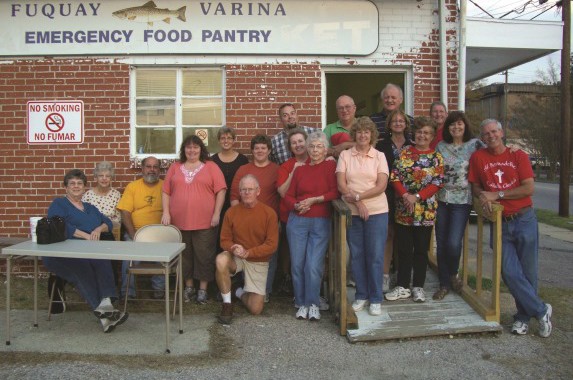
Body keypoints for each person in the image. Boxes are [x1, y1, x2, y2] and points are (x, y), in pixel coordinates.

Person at [468, 119, 552, 338]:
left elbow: (528, 188)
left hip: (524, 219)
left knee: (527, 272)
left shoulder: (518, 156)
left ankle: (523, 318)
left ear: (502, 132)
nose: (490, 136)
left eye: (494, 131)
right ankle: (541, 309)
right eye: (486, 134)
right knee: (508, 271)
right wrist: (482, 197)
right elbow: (476, 185)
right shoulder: (478, 157)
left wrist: (498, 194)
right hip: (500, 222)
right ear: (482, 137)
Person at [43, 169, 128, 333]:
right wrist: (86, 236)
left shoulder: (90, 207)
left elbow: (108, 223)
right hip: (63, 254)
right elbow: (60, 226)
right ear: (66, 187)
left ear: (84, 187)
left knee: (103, 260)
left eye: (80, 183)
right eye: (72, 183)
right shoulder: (59, 204)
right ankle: (105, 315)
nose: (76, 186)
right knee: (83, 270)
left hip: (88, 250)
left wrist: (98, 229)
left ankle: (106, 308)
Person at [162, 135, 226, 304]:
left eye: (196, 147)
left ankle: (202, 289)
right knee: (184, 255)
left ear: (201, 149)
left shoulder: (211, 166)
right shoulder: (175, 167)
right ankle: (188, 287)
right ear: (184, 150)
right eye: (188, 147)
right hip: (178, 220)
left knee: (204, 255)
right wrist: (166, 212)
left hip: (205, 221)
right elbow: (166, 191)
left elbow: (221, 191)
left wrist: (216, 213)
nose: (192, 150)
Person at [386, 117, 444, 303]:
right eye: (419, 132)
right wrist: (405, 196)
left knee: (421, 249)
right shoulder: (404, 153)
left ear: (432, 136)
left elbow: (437, 182)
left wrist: (417, 197)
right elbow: (394, 177)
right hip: (404, 209)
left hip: (425, 210)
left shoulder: (436, 157)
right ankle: (403, 285)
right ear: (414, 134)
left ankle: (418, 286)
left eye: (426, 133)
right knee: (403, 249)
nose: (422, 135)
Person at [336, 117, 390, 316]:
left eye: (367, 132)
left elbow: (381, 186)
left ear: (372, 135)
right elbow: (341, 184)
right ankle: (361, 295)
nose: (363, 135)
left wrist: (359, 196)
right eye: (359, 131)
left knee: (375, 255)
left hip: (377, 211)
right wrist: (357, 203)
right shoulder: (345, 155)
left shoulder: (379, 156)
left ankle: (376, 298)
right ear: (355, 134)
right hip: (353, 212)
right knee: (357, 255)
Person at [284, 131, 338, 321]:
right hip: (297, 220)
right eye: (312, 146)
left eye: (319, 146)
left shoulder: (330, 167)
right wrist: (296, 205)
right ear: (307, 148)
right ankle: (301, 302)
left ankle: (313, 303)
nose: (315, 150)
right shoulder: (300, 169)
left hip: (320, 220)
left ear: (325, 149)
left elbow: (334, 192)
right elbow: (288, 195)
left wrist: (314, 200)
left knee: (313, 265)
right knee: (297, 264)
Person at [433, 111, 483, 300]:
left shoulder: (475, 145)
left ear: (465, 125)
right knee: (442, 243)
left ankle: (453, 274)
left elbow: (492, 153)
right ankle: (444, 284)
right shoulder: (441, 147)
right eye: (452, 124)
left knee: (453, 243)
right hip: (442, 199)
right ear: (447, 128)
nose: (456, 127)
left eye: (459, 124)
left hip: (462, 201)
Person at [216, 174, 279, 325]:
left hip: (257, 259)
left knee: (256, 309)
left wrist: (249, 252)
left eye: (250, 189)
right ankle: (227, 304)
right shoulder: (231, 212)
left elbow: (272, 245)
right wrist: (233, 248)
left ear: (258, 191)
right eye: (243, 189)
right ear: (239, 192)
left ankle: (236, 290)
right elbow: (224, 240)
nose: (247, 193)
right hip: (237, 256)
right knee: (221, 260)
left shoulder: (269, 213)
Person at [231, 134, 280, 300]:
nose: (259, 151)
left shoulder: (276, 169)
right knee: (247, 254)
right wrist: (238, 219)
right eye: (256, 148)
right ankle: (249, 290)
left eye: (263, 148)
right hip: (246, 222)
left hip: (269, 221)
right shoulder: (244, 170)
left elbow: (281, 194)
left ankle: (265, 291)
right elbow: (234, 195)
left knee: (269, 256)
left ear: (269, 151)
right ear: (252, 151)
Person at [375, 109, 413, 292]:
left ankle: (402, 275)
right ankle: (384, 275)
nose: (398, 123)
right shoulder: (381, 146)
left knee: (404, 237)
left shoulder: (413, 146)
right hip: (388, 194)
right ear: (389, 125)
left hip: (408, 196)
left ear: (406, 124)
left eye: (401, 120)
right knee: (388, 234)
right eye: (394, 121)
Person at [117, 156, 165, 300]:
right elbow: (125, 212)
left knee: (164, 255)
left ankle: (159, 289)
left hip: (160, 234)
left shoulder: (166, 186)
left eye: (155, 167)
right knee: (128, 257)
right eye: (148, 166)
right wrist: (133, 234)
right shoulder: (133, 187)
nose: (152, 170)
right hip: (136, 232)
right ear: (142, 169)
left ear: (159, 170)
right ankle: (128, 292)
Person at [276, 128, 310, 296]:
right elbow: (282, 192)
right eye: (294, 143)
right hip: (289, 215)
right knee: (290, 250)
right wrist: (294, 171)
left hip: (311, 214)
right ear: (290, 147)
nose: (298, 145)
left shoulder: (315, 160)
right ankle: (288, 280)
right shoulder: (286, 166)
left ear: (307, 142)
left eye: (300, 141)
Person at [211, 126, 249, 250]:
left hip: (237, 204)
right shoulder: (212, 161)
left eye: (229, 138)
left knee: (236, 236)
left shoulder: (243, 160)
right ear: (218, 141)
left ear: (234, 140)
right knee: (218, 237)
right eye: (223, 138)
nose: (226, 141)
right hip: (217, 206)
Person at [82, 161, 122, 231]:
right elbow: (84, 217)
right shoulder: (88, 195)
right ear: (96, 178)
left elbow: (118, 218)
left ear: (111, 179)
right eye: (101, 176)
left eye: (107, 176)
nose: (104, 178)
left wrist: (103, 227)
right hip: (91, 231)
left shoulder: (116, 194)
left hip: (110, 231)